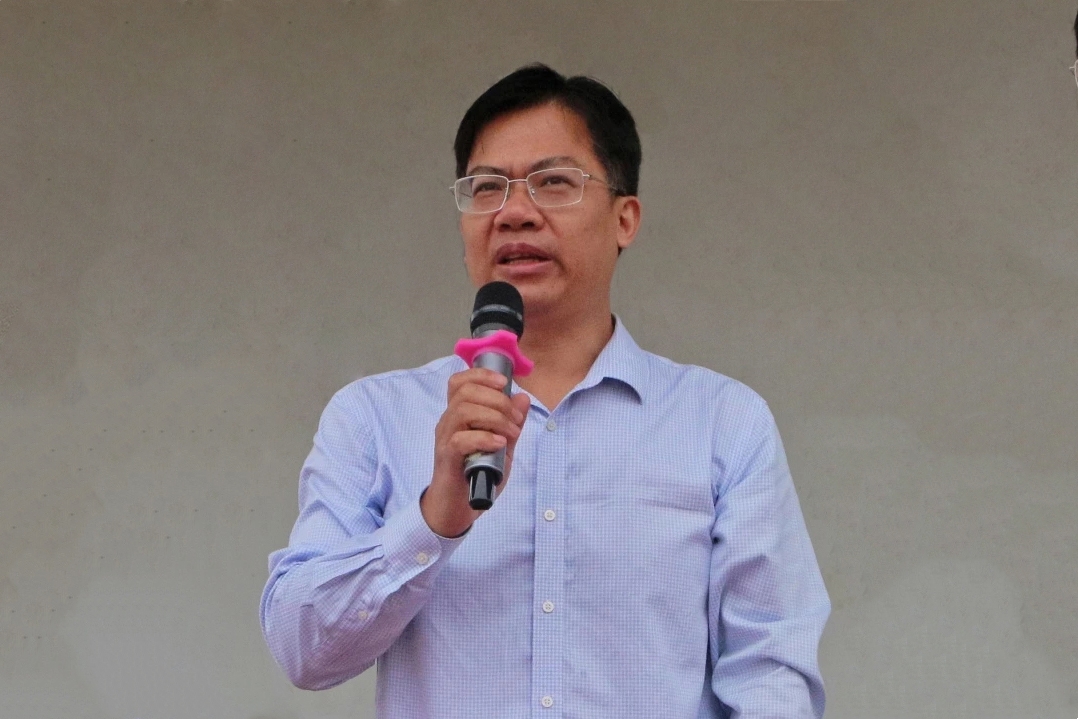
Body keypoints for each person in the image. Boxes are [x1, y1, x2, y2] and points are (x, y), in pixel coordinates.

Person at [260, 64, 830, 718]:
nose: (514, 213)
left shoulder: (722, 423)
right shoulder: (373, 417)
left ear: (625, 218)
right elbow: (302, 650)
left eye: (554, 182)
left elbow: (771, 673)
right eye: (487, 188)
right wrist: (432, 519)